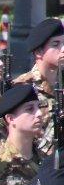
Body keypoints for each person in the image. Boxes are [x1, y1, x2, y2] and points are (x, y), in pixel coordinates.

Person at [13, 17, 63, 157]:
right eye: (56, 44)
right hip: (38, 162)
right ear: (39, 52)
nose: (63, 49)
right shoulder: (23, 86)